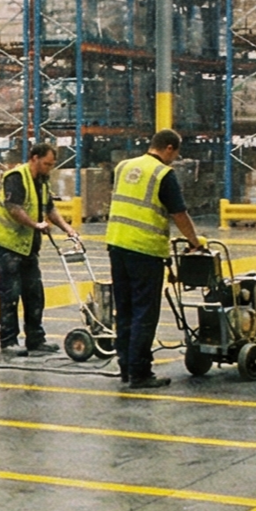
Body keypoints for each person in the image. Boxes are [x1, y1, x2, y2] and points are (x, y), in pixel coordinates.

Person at [104, 127, 201, 389]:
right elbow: (179, 214)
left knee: (123, 310)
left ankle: (125, 367)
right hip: (144, 251)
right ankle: (140, 373)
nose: (175, 159)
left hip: (116, 244)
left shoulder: (124, 166)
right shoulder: (163, 174)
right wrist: (195, 242)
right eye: (176, 154)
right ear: (169, 148)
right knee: (144, 314)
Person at [0, 143, 78, 356]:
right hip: (8, 244)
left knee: (34, 293)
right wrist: (35, 225)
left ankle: (36, 339)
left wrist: (68, 229)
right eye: (46, 163)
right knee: (10, 292)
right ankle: (9, 341)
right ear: (34, 158)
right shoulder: (16, 177)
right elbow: (14, 208)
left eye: (52, 165)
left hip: (28, 246)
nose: (49, 168)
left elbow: (49, 208)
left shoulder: (42, 181)